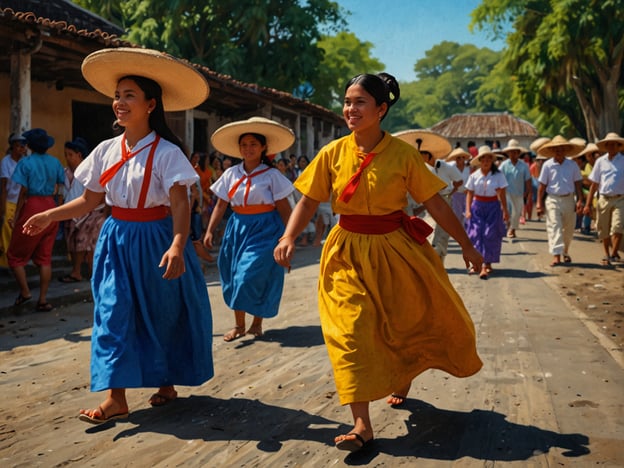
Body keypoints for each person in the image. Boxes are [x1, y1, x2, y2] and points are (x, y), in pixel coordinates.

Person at [273, 73, 483, 453]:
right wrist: (288, 236)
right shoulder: (332, 153)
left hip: (396, 249)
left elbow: (436, 204)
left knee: (404, 322)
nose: (350, 109)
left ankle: (403, 374)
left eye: (359, 102)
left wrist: (467, 245)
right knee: (351, 331)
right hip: (345, 252)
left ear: (381, 109)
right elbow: (306, 200)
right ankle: (361, 425)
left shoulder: (403, 155)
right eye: (347, 101)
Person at [22, 47, 214, 424]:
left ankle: (166, 382)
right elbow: (89, 201)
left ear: (150, 105)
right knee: (112, 313)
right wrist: (49, 214)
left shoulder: (167, 152)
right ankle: (116, 397)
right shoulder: (106, 150)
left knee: (163, 313)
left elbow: (180, 203)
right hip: (116, 239)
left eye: (129, 96)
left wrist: (178, 243)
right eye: (117, 95)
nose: (120, 103)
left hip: (157, 240)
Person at [204, 116, 295, 341]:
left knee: (251, 274)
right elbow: (221, 205)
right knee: (234, 274)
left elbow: (285, 209)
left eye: (253, 144)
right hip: (237, 228)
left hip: (266, 229)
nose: (248, 149)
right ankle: (241, 325)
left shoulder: (272, 175)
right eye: (244, 145)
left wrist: (289, 237)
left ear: (264, 147)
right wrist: (209, 230)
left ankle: (256, 322)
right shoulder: (231, 174)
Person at [7, 128, 65, 311]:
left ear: (29, 145)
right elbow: (60, 188)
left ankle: (25, 292)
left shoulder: (26, 163)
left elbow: (22, 193)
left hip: (33, 206)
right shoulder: (55, 162)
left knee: (14, 256)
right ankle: (42, 299)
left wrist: (16, 217)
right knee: (45, 257)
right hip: (51, 206)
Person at [394, 129, 460, 264]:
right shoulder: (401, 170)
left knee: (435, 249)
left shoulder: (429, 171)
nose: (419, 157)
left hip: (434, 214)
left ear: (430, 158)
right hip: (402, 220)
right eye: (417, 154)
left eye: (423, 155)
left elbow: (435, 202)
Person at [58, 137, 108, 283]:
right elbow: (61, 193)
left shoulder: (89, 172)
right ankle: (77, 272)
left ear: (79, 155)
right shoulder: (64, 172)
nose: (67, 158)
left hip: (89, 214)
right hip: (70, 213)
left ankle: (91, 274)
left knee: (87, 245)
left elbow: (99, 196)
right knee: (72, 245)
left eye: (70, 155)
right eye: (66, 154)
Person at [536, 135, 585, 266]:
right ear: (552, 151)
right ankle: (556, 255)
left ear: (565, 150)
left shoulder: (572, 165)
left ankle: (565, 251)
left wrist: (581, 200)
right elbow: (542, 186)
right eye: (556, 149)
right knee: (555, 227)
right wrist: (539, 203)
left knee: (568, 230)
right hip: (552, 199)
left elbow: (578, 183)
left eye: (561, 149)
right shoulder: (547, 165)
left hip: (569, 199)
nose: (559, 151)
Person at [464, 145, 509, 279]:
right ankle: (477, 264)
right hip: (477, 206)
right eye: (483, 159)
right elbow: (469, 193)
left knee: (490, 234)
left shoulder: (498, 175)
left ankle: (486, 263)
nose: (486, 162)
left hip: (493, 206)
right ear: (479, 161)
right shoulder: (474, 176)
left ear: (492, 161)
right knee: (476, 234)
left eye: (488, 159)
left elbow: (502, 194)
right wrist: (467, 210)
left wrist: (505, 210)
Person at [584, 132, 624, 266]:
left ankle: (613, 254)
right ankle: (606, 253)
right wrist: (588, 204)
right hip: (603, 199)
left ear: (619, 146)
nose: (612, 147)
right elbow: (594, 184)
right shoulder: (600, 161)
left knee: (618, 227)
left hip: (620, 199)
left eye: (614, 144)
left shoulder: (623, 161)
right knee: (603, 229)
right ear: (606, 146)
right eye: (609, 145)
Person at [0, 133, 28, 270]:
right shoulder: (6, 162)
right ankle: (6, 262)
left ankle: (17, 260)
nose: (21, 149)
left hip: (22, 203)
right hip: (10, 201)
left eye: (23, 146)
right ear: (13, 147)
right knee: (7, 232)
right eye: (18, 146)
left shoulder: (25, 162)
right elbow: (4, 186)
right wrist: (3, 207)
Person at [499, 139, 532, 238]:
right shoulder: (504, 165)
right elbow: (499, 177)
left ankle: (512, 229)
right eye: (511, 152)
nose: (513, 154)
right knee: (508, 211)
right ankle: (509, 228)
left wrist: (528, 192)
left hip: (519, 193)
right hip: (507, 193)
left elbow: (528, 180)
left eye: (515, 152)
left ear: (518, 153)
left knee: (517, 213)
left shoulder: (524, 166)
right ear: (508, 153)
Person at [576, 143, 600, 235]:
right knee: (587, 208)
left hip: (595, 192)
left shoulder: (597, 165)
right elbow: (588, 182)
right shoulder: (587, 166)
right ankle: (585, 226)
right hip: (587, 192)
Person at [446, 147, 472, 226]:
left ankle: (467, 233)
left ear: (464, 158)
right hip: (456, 194)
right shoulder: (451, 167)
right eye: (457, 158)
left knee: (468, 214)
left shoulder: (469, 168)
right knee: (457, 215)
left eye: (461, 157)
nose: (459, 159)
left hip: (467, 194)